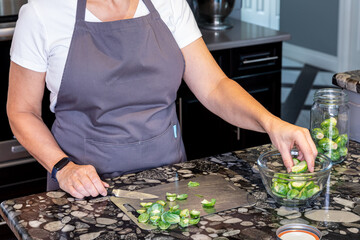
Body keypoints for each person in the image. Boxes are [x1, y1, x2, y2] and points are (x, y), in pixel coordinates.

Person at [7, 0, 317, 199]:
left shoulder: (169, 4)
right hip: (84, 187)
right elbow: (21, 111)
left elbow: (214, 86)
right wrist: (62, 167)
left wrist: (271, 123)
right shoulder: (43, 14)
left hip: (168, 178)